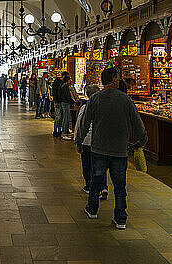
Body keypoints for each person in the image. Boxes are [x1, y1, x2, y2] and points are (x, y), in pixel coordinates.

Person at [80, 67, 148, 229]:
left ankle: (92, 209)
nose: (119, 80)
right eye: (118, 77)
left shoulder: (95, 99)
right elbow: (137, 122)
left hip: (99, 148)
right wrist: (143, 139)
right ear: (114, 80)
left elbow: (85, 122)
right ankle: (120, 218)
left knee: (96, 181)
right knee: (119, 185)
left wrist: (79, 141)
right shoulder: (126, 100)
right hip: (119, 149)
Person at [74, 84, 108, 197]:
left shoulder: (85, 107)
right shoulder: (105, 106)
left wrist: (77, 140)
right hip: (101, 140)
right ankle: (103, 187)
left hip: (87, 141)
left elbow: (79, 125)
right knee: (100, 165)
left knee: (87, 164)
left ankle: (90, 186)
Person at [60, 75, 78, 141]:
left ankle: (65, 132)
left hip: (65, 103)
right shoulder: (65, 87)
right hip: (65, 103)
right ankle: (64, 133)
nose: (70, 81)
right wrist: (72, 101)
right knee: (66, 118)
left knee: (66, 117)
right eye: (69, 79)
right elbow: (67, 96)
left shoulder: (64, 86)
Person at [51, 71, 69, 137]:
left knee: (61, 116)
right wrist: (56, 101)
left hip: (61, 102)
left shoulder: (62, 83)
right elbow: (54, 92)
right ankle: (55, 131)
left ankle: (59, 130)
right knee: (58, 116)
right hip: (57, 102)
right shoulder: (56, 83)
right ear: (64, 76)